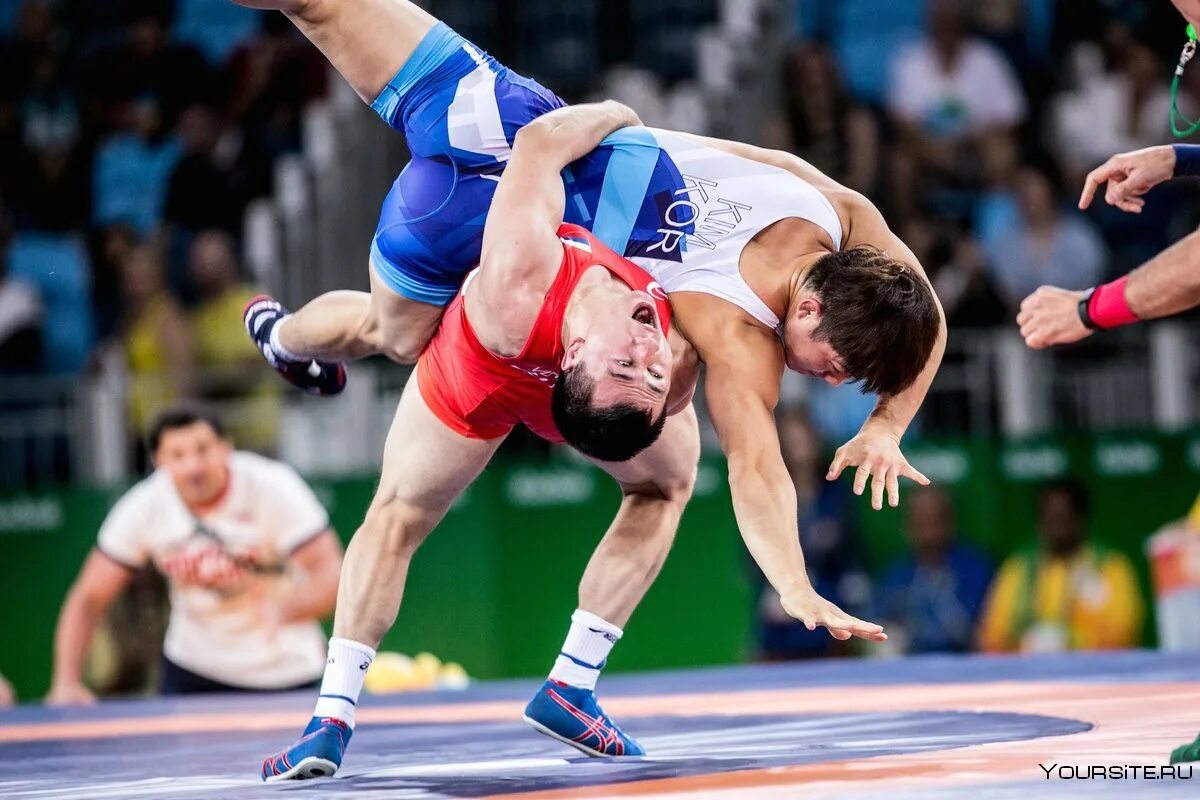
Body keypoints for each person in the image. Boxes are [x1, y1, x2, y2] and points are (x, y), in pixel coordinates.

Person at [257, 99, 888, 782]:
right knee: (658, 479)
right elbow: (535, 150)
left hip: (493, 374)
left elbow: (539, 147)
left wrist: (612, 116)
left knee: (397, 478)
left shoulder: (562, 283)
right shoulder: (648, 304)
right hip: (530, 367)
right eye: (643, 355)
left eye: (646, 358)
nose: (651, 343)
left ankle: (331, 719)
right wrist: (624, 116)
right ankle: (571, 682)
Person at [235, 1, 944, 560]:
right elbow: (757, 469)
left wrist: (887, 426)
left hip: (521, 143)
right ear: (816, 306)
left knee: (318, 9)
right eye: (840, 366)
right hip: (504, 202)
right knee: (388, 334)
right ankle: (286, 338)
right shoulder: (734, 331)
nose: (829, 379)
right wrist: (797, 579)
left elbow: (926, 316)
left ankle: (286, 338)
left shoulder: (834, 206)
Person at [46, 406, 343, 704]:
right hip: (194, 667)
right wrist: (66, 682)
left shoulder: (273, 486)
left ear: (226, 447)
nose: (193, 467)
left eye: (203, 450)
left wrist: (286, 609)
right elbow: (89, 597)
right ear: (158, 461)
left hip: (283, 669)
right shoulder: (145, 506)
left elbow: (333, 574)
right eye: (177, 455)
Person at [976, 479, 1142, 654]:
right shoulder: (1018, 568)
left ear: (1080, 518)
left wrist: (1069, 641)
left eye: (1062, 517)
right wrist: (1028, 644)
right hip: (1029, 674)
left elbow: (1124, 634)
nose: (1056, 527)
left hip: (1092, 673)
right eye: (1049, 518)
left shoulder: (1110, 566)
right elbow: (992, 637)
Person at [876, 486, 992, 654]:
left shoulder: (975, 569)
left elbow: (983, 629)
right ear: (907, 526)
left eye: (933, 521)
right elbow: (880, 619)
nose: (927, 533)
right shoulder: (897, 573)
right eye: (919, 522)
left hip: (963, 664)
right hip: (909, 667)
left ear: (950, 522)